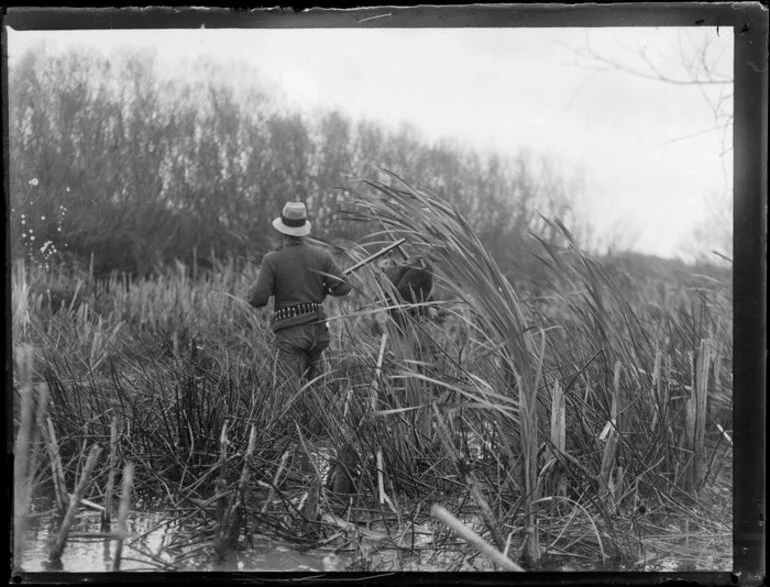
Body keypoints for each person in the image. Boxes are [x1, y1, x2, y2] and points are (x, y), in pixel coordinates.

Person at [248, 201, 351, 386]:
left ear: (283, 230)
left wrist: (259, 291)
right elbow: (344, 288)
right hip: (318, 332)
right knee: (317, 393)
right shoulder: (323, 256)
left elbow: (258, 299)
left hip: (290, 334)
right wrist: (324, 288)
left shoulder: (272, 260)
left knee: (289, 392)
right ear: (304, 228)